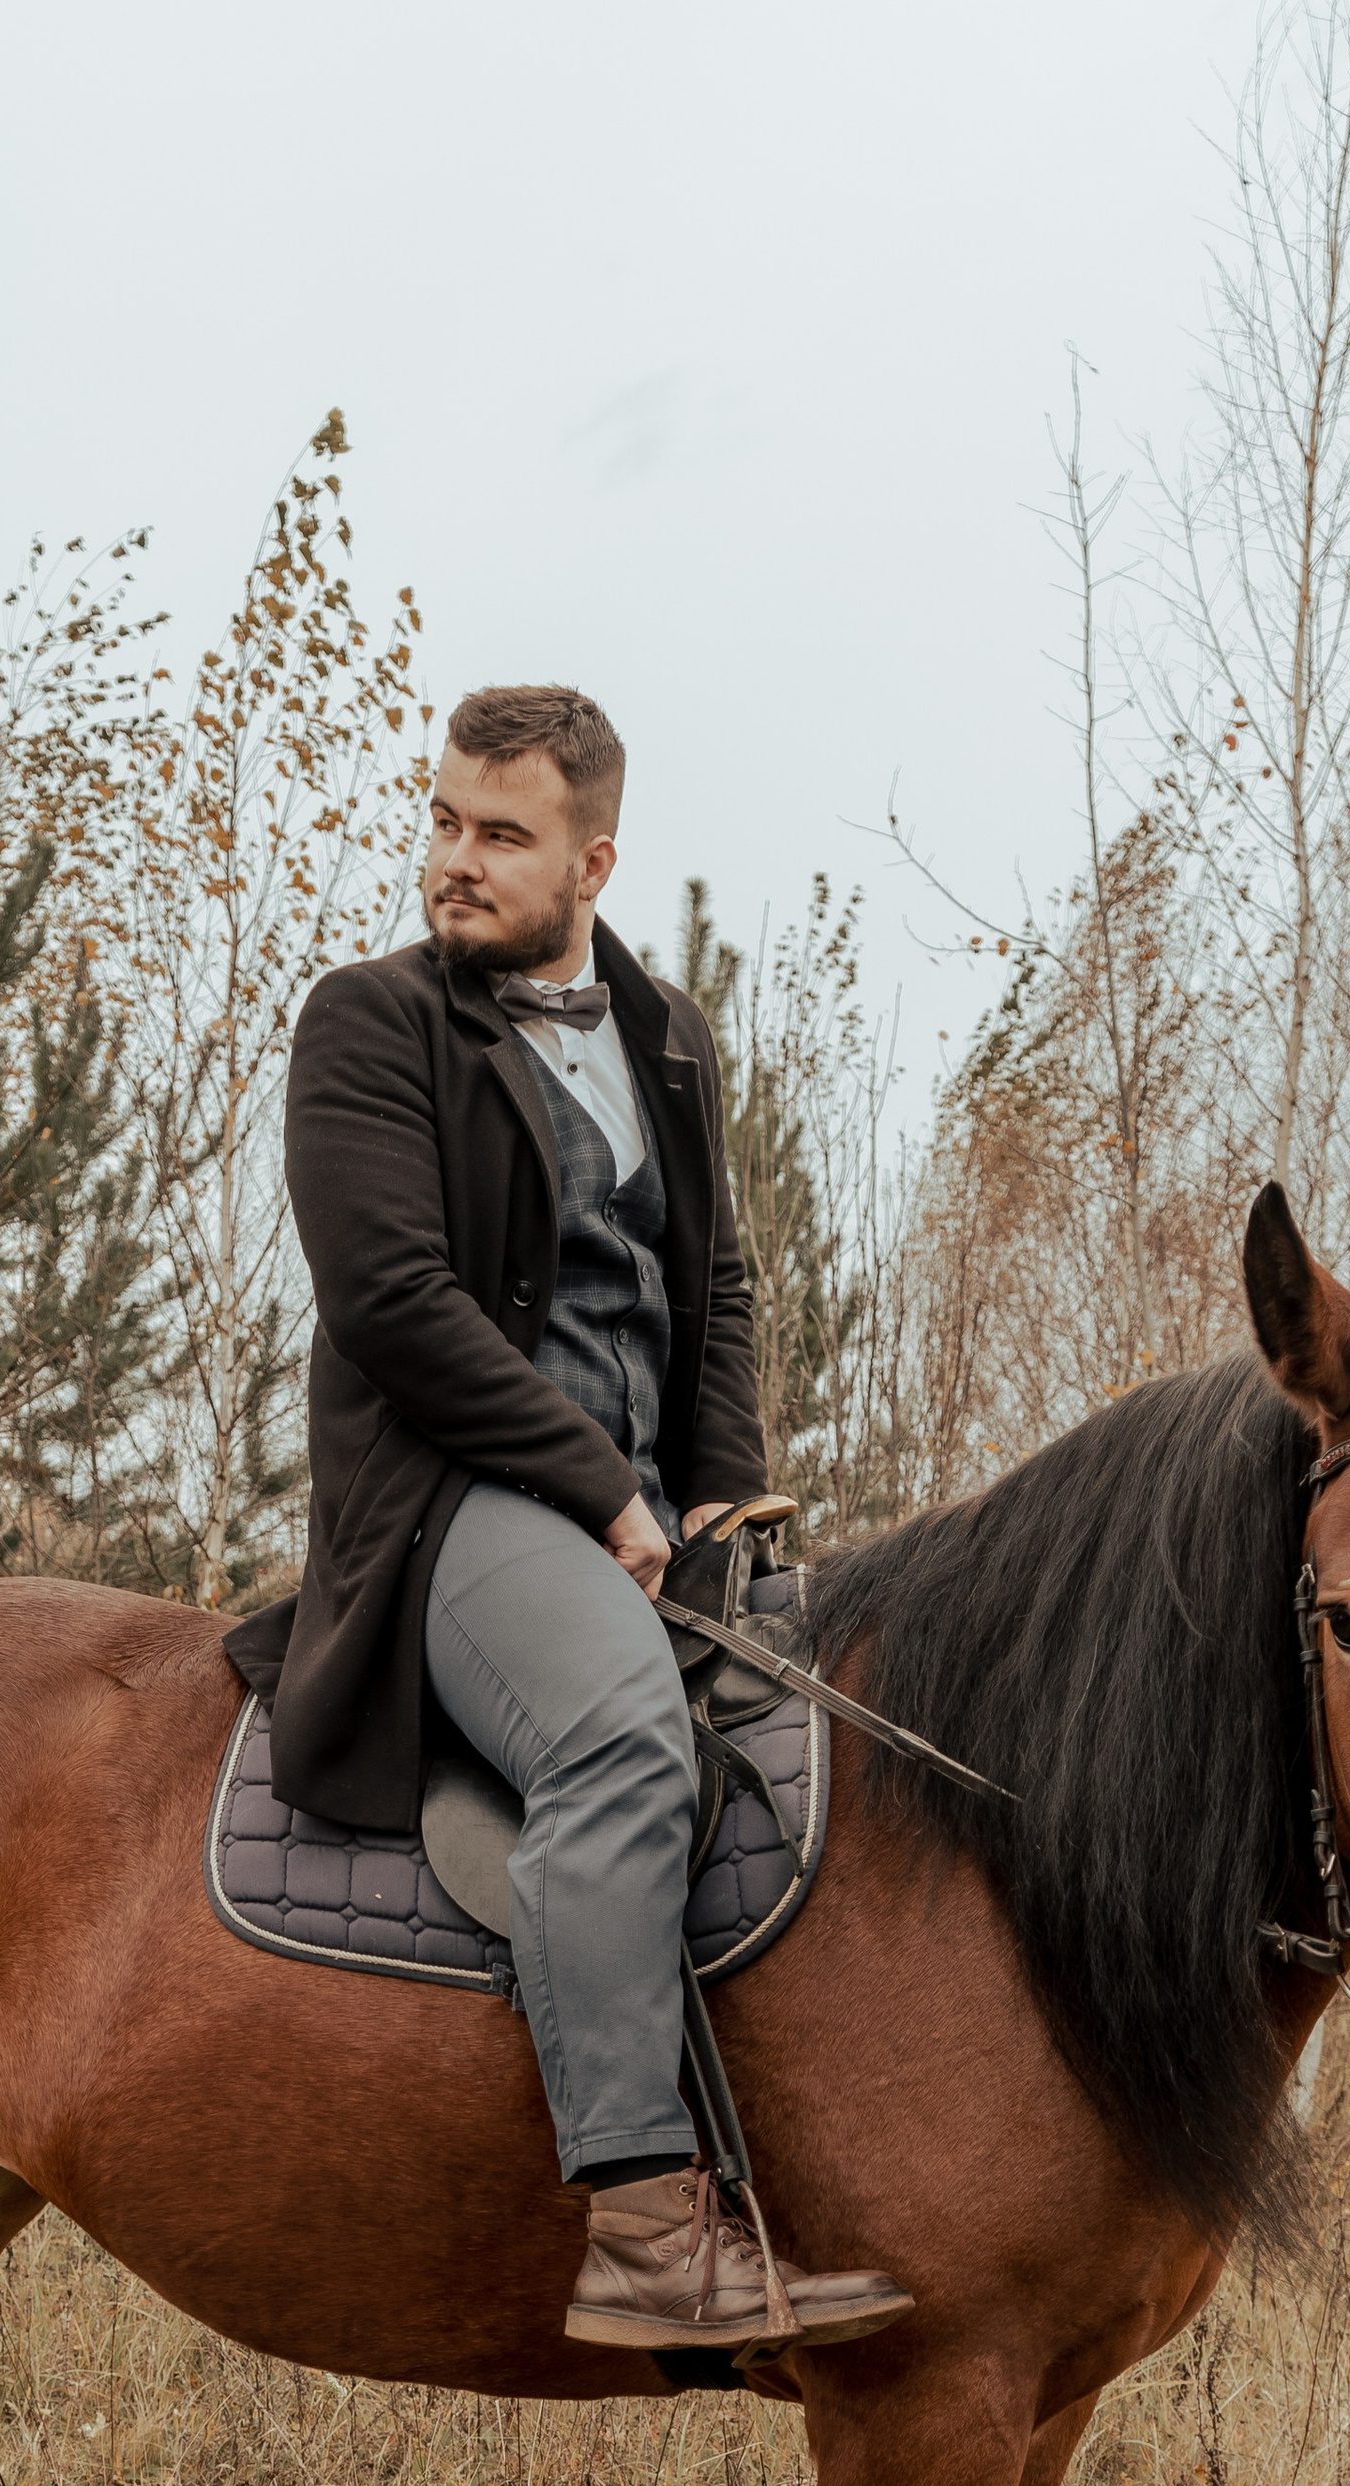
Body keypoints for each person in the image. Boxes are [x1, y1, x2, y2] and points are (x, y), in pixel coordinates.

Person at [227, 684, 911, 2357]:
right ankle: (645, 2231)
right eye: (447, 822)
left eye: (502, 835)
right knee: (621, 1738)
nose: (456, 862)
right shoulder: (369, 1025)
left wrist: (724, 1491)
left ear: (593, 857)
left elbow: (717, 1283)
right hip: (452, 1507)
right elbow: (395, 1303)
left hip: (648, 1517)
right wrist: (602, 1490)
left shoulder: (664, 1032)